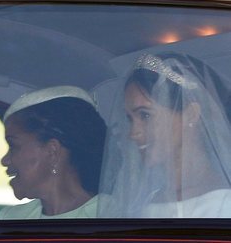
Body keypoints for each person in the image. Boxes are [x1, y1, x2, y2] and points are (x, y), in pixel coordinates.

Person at [97, 52, 231, 218]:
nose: (133, 133)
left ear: (191, 115)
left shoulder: (225, 201)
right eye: (130, 119)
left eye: (145, 115)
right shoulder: (142, 202)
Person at [0, 85, 106, 219]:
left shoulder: (112, 214)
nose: (5, 160)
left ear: (52, 151)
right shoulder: (10, 218)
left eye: (13, 145)